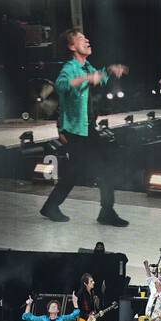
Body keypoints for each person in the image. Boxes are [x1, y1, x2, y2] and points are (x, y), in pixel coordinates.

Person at [39, 29, 129, 227]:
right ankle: (105, 212)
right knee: (97, 168)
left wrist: (110, 71)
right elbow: (62, 85)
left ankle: (52, 206)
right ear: (72, 47)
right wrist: (87, 79)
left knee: (79, 170)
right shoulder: (70, 67)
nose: (87, 40)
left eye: (86, 37)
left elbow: (99, 77)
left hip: (86, 127)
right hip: (75, 130)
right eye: (81, 39)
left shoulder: (86, 65)